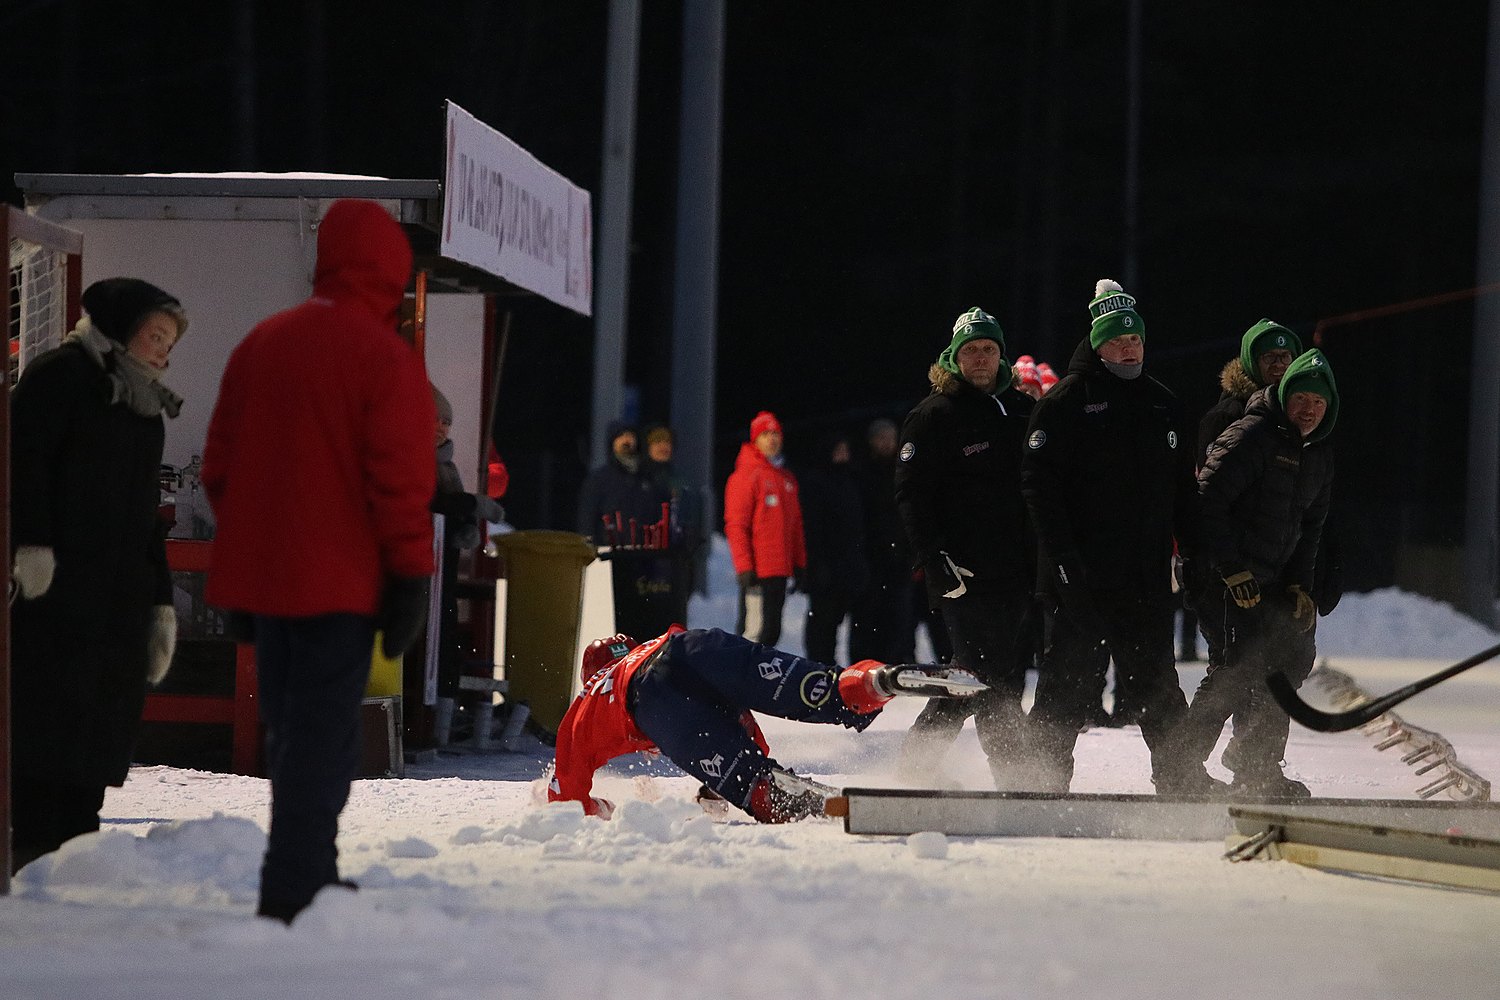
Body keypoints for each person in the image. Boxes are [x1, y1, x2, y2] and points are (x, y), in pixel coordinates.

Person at [202, 199, 437, 923]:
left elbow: (221, 466)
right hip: (341, 584)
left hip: (268, 582)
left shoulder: (263, 342)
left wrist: (253, 546)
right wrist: (410, 576)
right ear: (391, 267)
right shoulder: (384, 359)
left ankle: (308, 873)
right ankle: (295, 886)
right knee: (323, 736)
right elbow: (399, 482)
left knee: (287, 728)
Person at [9, 278, 188, 873]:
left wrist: (160, 602)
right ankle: (32, 849)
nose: (164, 351)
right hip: (56, 589)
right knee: (45, 717)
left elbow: (144, 518)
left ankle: (77, 853)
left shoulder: (144, 406)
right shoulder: (59, 377)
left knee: (100, 724)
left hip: (119, 598)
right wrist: (30, 545)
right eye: (156, 335)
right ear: (120, 328)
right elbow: (23, 464)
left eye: (170, 341)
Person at [1019, 279, 1221, 795]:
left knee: (1157, 683)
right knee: (1067, 682)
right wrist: (1061, 564)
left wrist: (1195, 550)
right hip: (1079, 578)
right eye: (1117, 339)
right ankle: (1039, 783)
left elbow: (1182, 490)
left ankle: (1180, 778)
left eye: (1136, 339)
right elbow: (1040, 492)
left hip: (1143, 578)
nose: (1129, 347)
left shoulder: (1162, 403)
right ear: (1098, 344)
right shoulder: (1064, 402)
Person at [547, 626, 984, 822]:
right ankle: (875, 682)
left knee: (762, 792)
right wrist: (751, 752)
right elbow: (732, 705)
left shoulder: (585, 707)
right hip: (692, 646)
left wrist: (598, 808)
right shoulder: (651, 645)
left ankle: (796, 796)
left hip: (651, 701)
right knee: (820, 688)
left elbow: (564, 797)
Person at [1172, 349, 1339, 798]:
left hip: (1273, 581)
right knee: (1233, 670)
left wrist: (1300, 586)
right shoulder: (1252, 435)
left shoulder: (1318, 453)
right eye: (1301, 397)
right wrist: (1230, 569)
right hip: (1221, 576)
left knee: (1287, 663)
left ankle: (1256, 764)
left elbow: (1311, 528)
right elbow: (1204, 502)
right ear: (1283, 397)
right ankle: (1178, 769)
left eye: (1318, 402)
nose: (1308, 409)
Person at [893, 307, 1035, 787]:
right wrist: (932, 560)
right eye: (970, 350)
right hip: (961, 573)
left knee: (1001, 676)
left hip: (1016, 570)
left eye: (989, 349)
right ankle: (925, 770)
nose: (980, 359)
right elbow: (911, 496)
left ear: (1001, 356)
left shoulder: (1020, 409)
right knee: (976, 673)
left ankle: (1007, 779)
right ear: (954, 358)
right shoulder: (933, 415)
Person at [428, 383, 506, 716]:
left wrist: (466, 525)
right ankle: (433, 718)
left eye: (446, 421)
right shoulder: (416, 458)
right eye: (435, 419)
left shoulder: (446, 462)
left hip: (441, 566)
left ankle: (442, 718)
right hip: (422, 568)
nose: (442, 426)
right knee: (433, 641)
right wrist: (472, 504)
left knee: (445, 639)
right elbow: (429, 502)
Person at [577, 420, 674, 638]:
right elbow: (586, 518)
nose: (628, 441)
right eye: (622, 436)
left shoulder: (648, 478)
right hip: (611, 563)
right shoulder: (599, 480)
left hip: (645, 564)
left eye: (631, 435)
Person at [724, 411, 807, 646]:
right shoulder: (746, 475)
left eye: (775, 434)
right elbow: (736, 525)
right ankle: (740, 681)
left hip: (779, 571)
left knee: (771, 633)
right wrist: (745, 567)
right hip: (758, 572)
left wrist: (799, 563)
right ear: (755, 440)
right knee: (753, 634)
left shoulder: (785, 478)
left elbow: (796, 528)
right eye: (765, 434)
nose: (772, 439)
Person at [799, 430, 870, 664]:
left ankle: (846, 668)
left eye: (845, 450)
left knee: (848, 622)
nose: (842, 455)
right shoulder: (815, 482)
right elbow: (812, 528)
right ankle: (820, 666)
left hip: (849, 566)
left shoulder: (850, 481)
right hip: (826, 566)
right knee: (822, 625)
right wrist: (816, 564)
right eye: (838, 450)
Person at [850, 417, 917, 664]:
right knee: (868, 615)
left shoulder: (904, 472)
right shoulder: (860, 473)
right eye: (882, 439)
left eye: (891, 438)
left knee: (901, 616)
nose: (887, 444)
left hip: (900, 558)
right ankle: (866, 663)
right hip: (870, 558)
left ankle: (898, 661)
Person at [641, 424, 707, 628]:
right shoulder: (641, 480)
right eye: (657, 442)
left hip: (678, 558)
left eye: (667, 442)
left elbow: (694, 517)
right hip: (649, 560)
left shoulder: (681, 481)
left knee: (676, 615)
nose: (663, 447)